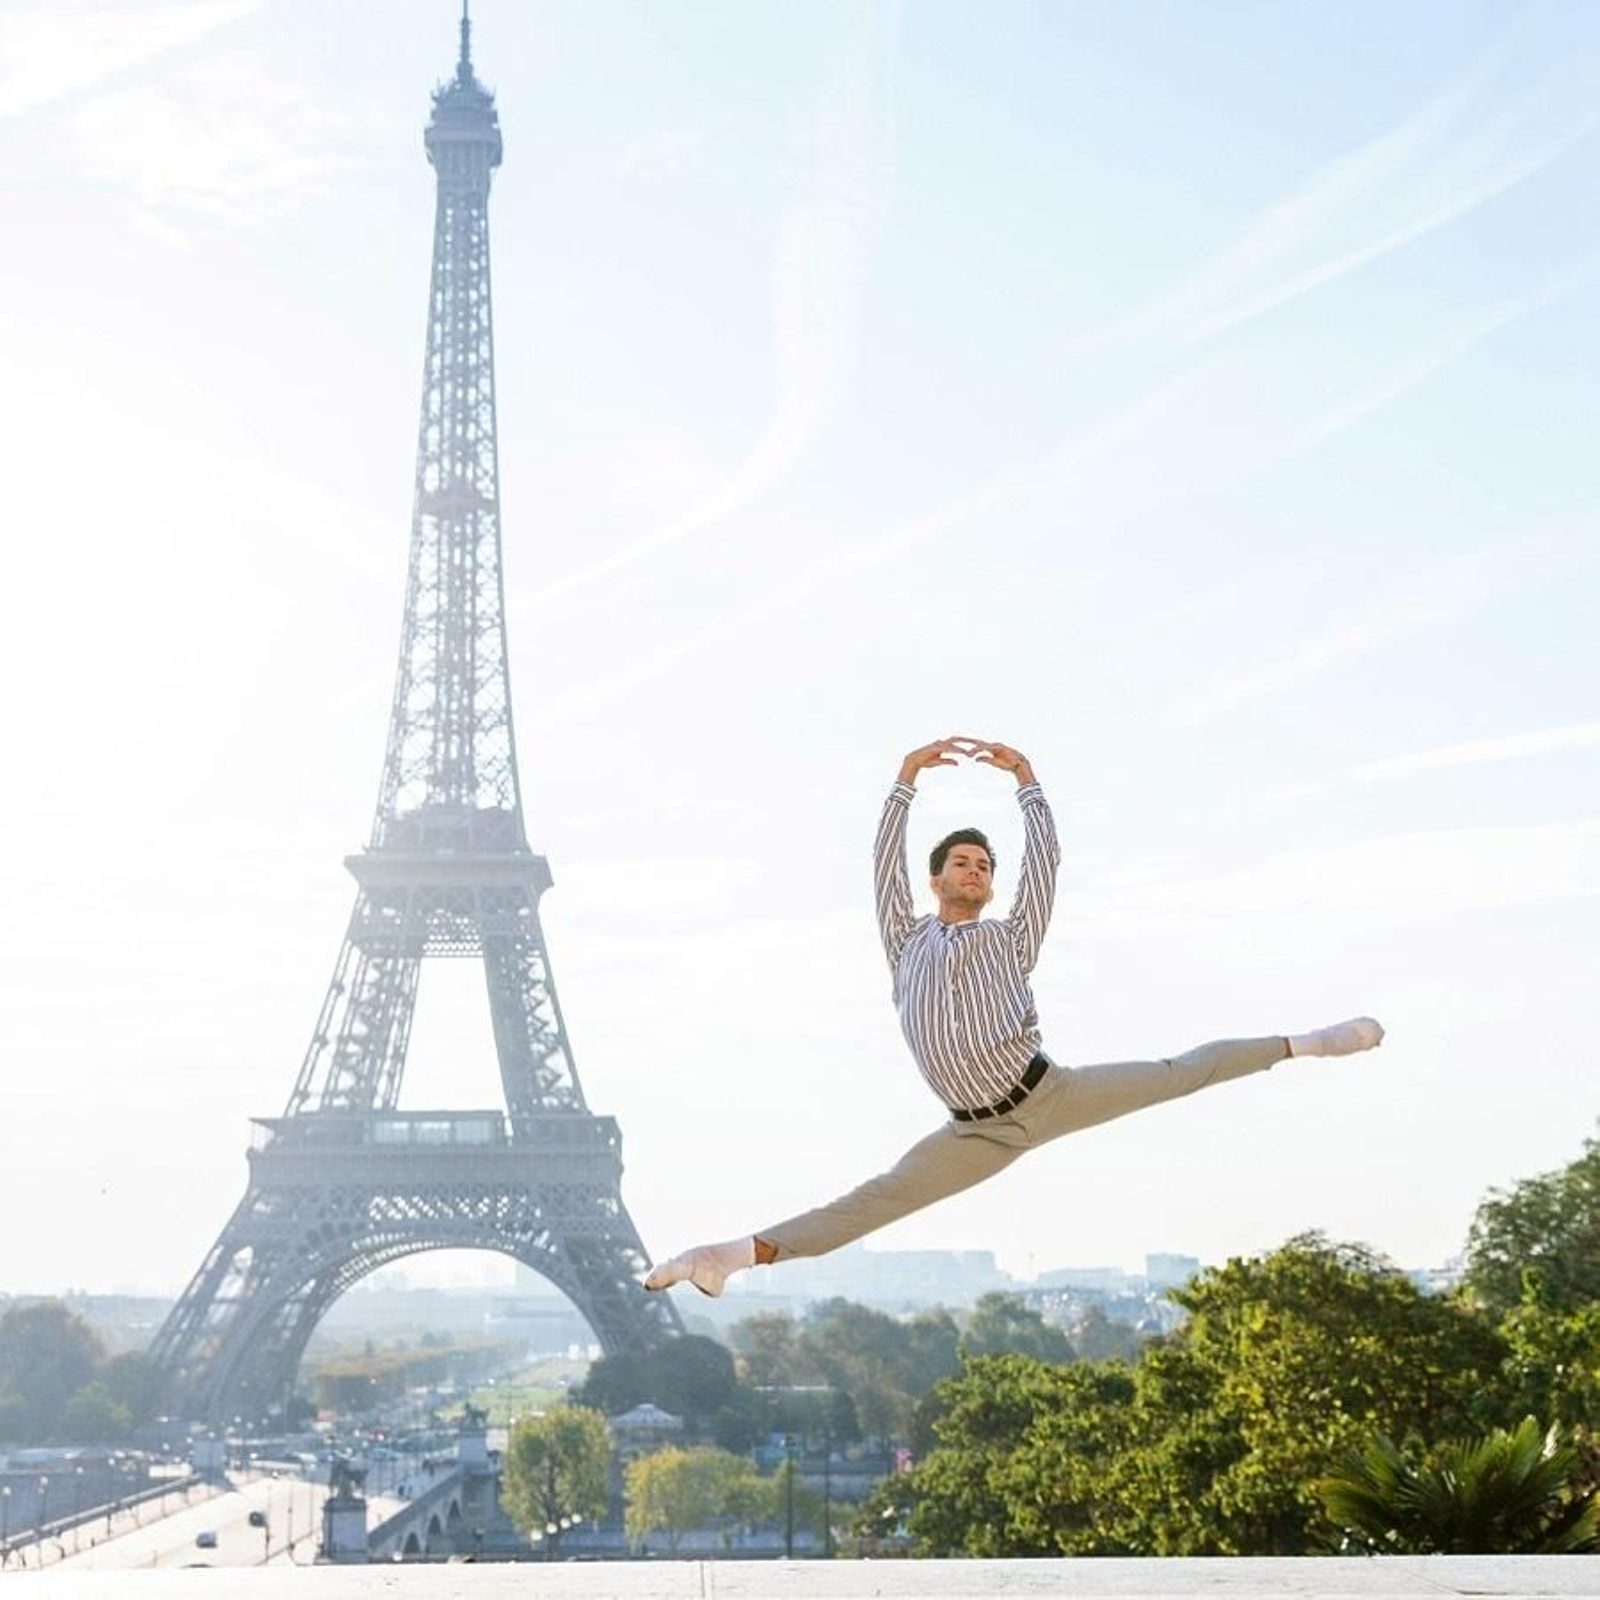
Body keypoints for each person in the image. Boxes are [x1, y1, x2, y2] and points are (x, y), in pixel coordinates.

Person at [644, 736, 1384, 1298]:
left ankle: (1311, 1043)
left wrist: (1027, 782)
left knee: (1178, 1074)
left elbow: (1047, 864)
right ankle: (727, 1257)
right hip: (973, 1131)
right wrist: (906, 778)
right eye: (961, 862)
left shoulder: (1012, 936)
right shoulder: (905, 942)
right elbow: (879, 864)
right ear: (935, 879)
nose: (974, 871)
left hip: (1050, 1094)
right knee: (869, 1206)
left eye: (984, 866)